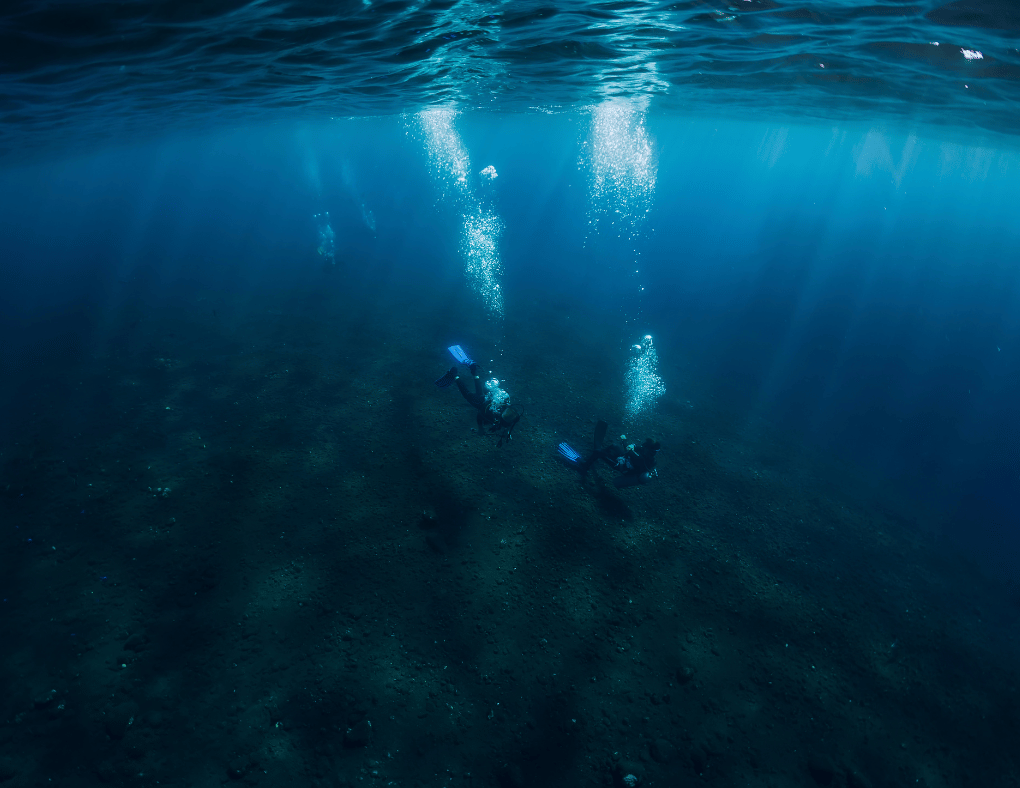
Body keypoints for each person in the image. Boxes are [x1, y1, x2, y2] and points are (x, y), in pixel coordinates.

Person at [435, 345, 521, 446]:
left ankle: (474, 369)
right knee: (467, 395)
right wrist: (480, 429)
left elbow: (508, 424)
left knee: (480, 393)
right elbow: (480, 415)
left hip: (488, 397)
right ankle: (455, 375)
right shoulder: (493, 412)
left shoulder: (509, 412)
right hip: (482, 403)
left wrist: (507, 433)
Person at [558, 420, 660, 488]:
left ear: (649, 449)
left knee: (597, 452)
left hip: (623, 467)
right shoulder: (648, 454)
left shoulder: (642, 459)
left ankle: (584, 467)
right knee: (614, 446)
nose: (643, 447)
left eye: (646, 447)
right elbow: (636, 447)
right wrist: (632, 446)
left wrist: (624, 441)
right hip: (627, 461)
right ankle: (601, 454)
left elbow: (629, 450)